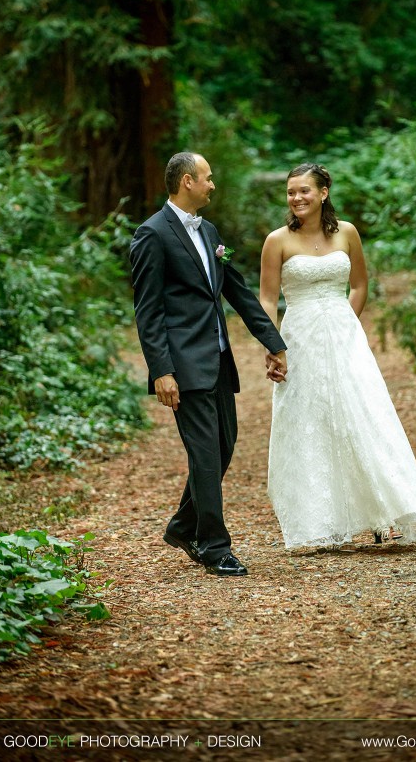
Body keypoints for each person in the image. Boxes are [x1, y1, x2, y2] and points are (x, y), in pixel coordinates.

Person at [259, 163, 416, 550]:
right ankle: (321, 520)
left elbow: (359, 286)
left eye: (304, 190)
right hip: (298, 338)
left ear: (323, 192)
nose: (296, 198)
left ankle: (383, 512)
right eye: (291, 192)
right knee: (311, 418)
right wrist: (272, 345)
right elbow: (268, 298)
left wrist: (343, 322)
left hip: (344, 336)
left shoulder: (348, 233)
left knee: (364, 413)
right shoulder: (277, 241)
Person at [130, 151, 287, 577]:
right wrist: (162, 370)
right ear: (186, 181)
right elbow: (148, 312)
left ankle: (183, 526)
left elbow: (234, 289)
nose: (213, 185)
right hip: (182, 364)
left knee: (223, 447)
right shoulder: (152, 234)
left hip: (218, 360)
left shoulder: (210, 231)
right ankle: (215, 547)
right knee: (205, 455)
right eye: (207, 178)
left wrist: (273, 341)